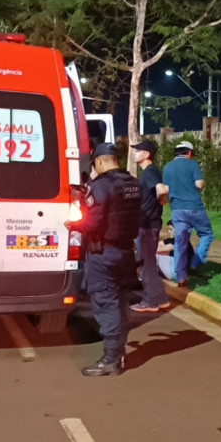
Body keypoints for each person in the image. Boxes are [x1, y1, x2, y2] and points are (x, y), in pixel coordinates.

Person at [65, 143, 141, 377]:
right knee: (120, 303)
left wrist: (73, 224)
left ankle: (110, 360)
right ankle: (118, 352)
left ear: (98, 162)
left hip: (103, 254)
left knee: (106, 304)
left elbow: (93, 223)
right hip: (126, 253)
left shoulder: (101, 186)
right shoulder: (133, 184)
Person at [162, 140, 214, 287]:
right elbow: (199, 184)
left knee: (180, 242)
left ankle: (181, 276)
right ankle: (195, 262)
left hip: (177, 210)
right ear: (189, 153)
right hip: (194, 207)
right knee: (207, 234)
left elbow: (165, 189)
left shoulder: (167, 167)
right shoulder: (193, 164)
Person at [130, 139, 171, 313]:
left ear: (146, 154)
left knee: (145, 264)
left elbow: (162, 189)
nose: (134, 153)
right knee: (149, 262)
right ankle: (160, 299)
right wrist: (160, 201)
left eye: (137, 150)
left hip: (147, 225)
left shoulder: (150, 172)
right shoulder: (149, 172)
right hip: (149, 224)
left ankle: (150, 301)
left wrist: (161, 199)